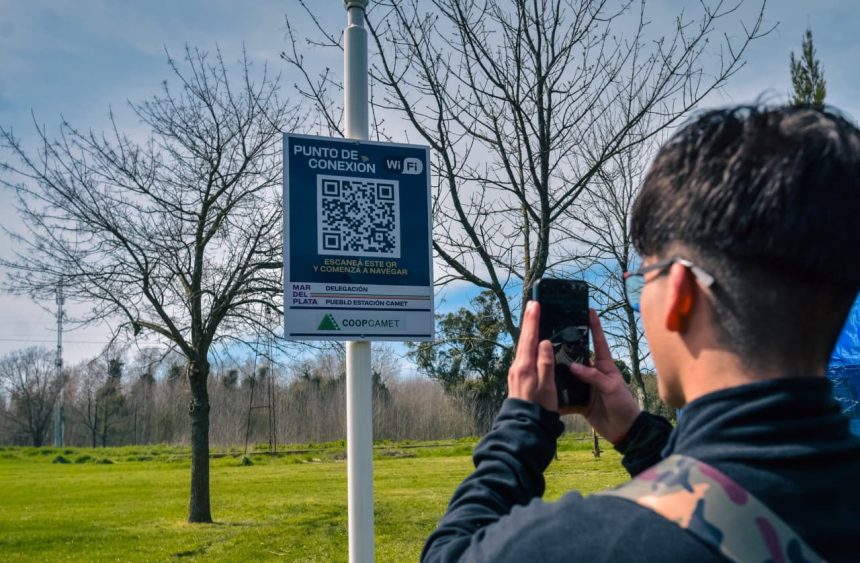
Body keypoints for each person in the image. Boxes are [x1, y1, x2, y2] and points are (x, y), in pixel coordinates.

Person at [421, 105, 860, 562]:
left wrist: (518, 430)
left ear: (680, 294)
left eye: (644, 278)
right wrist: (639, 437)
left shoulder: (594, 546)